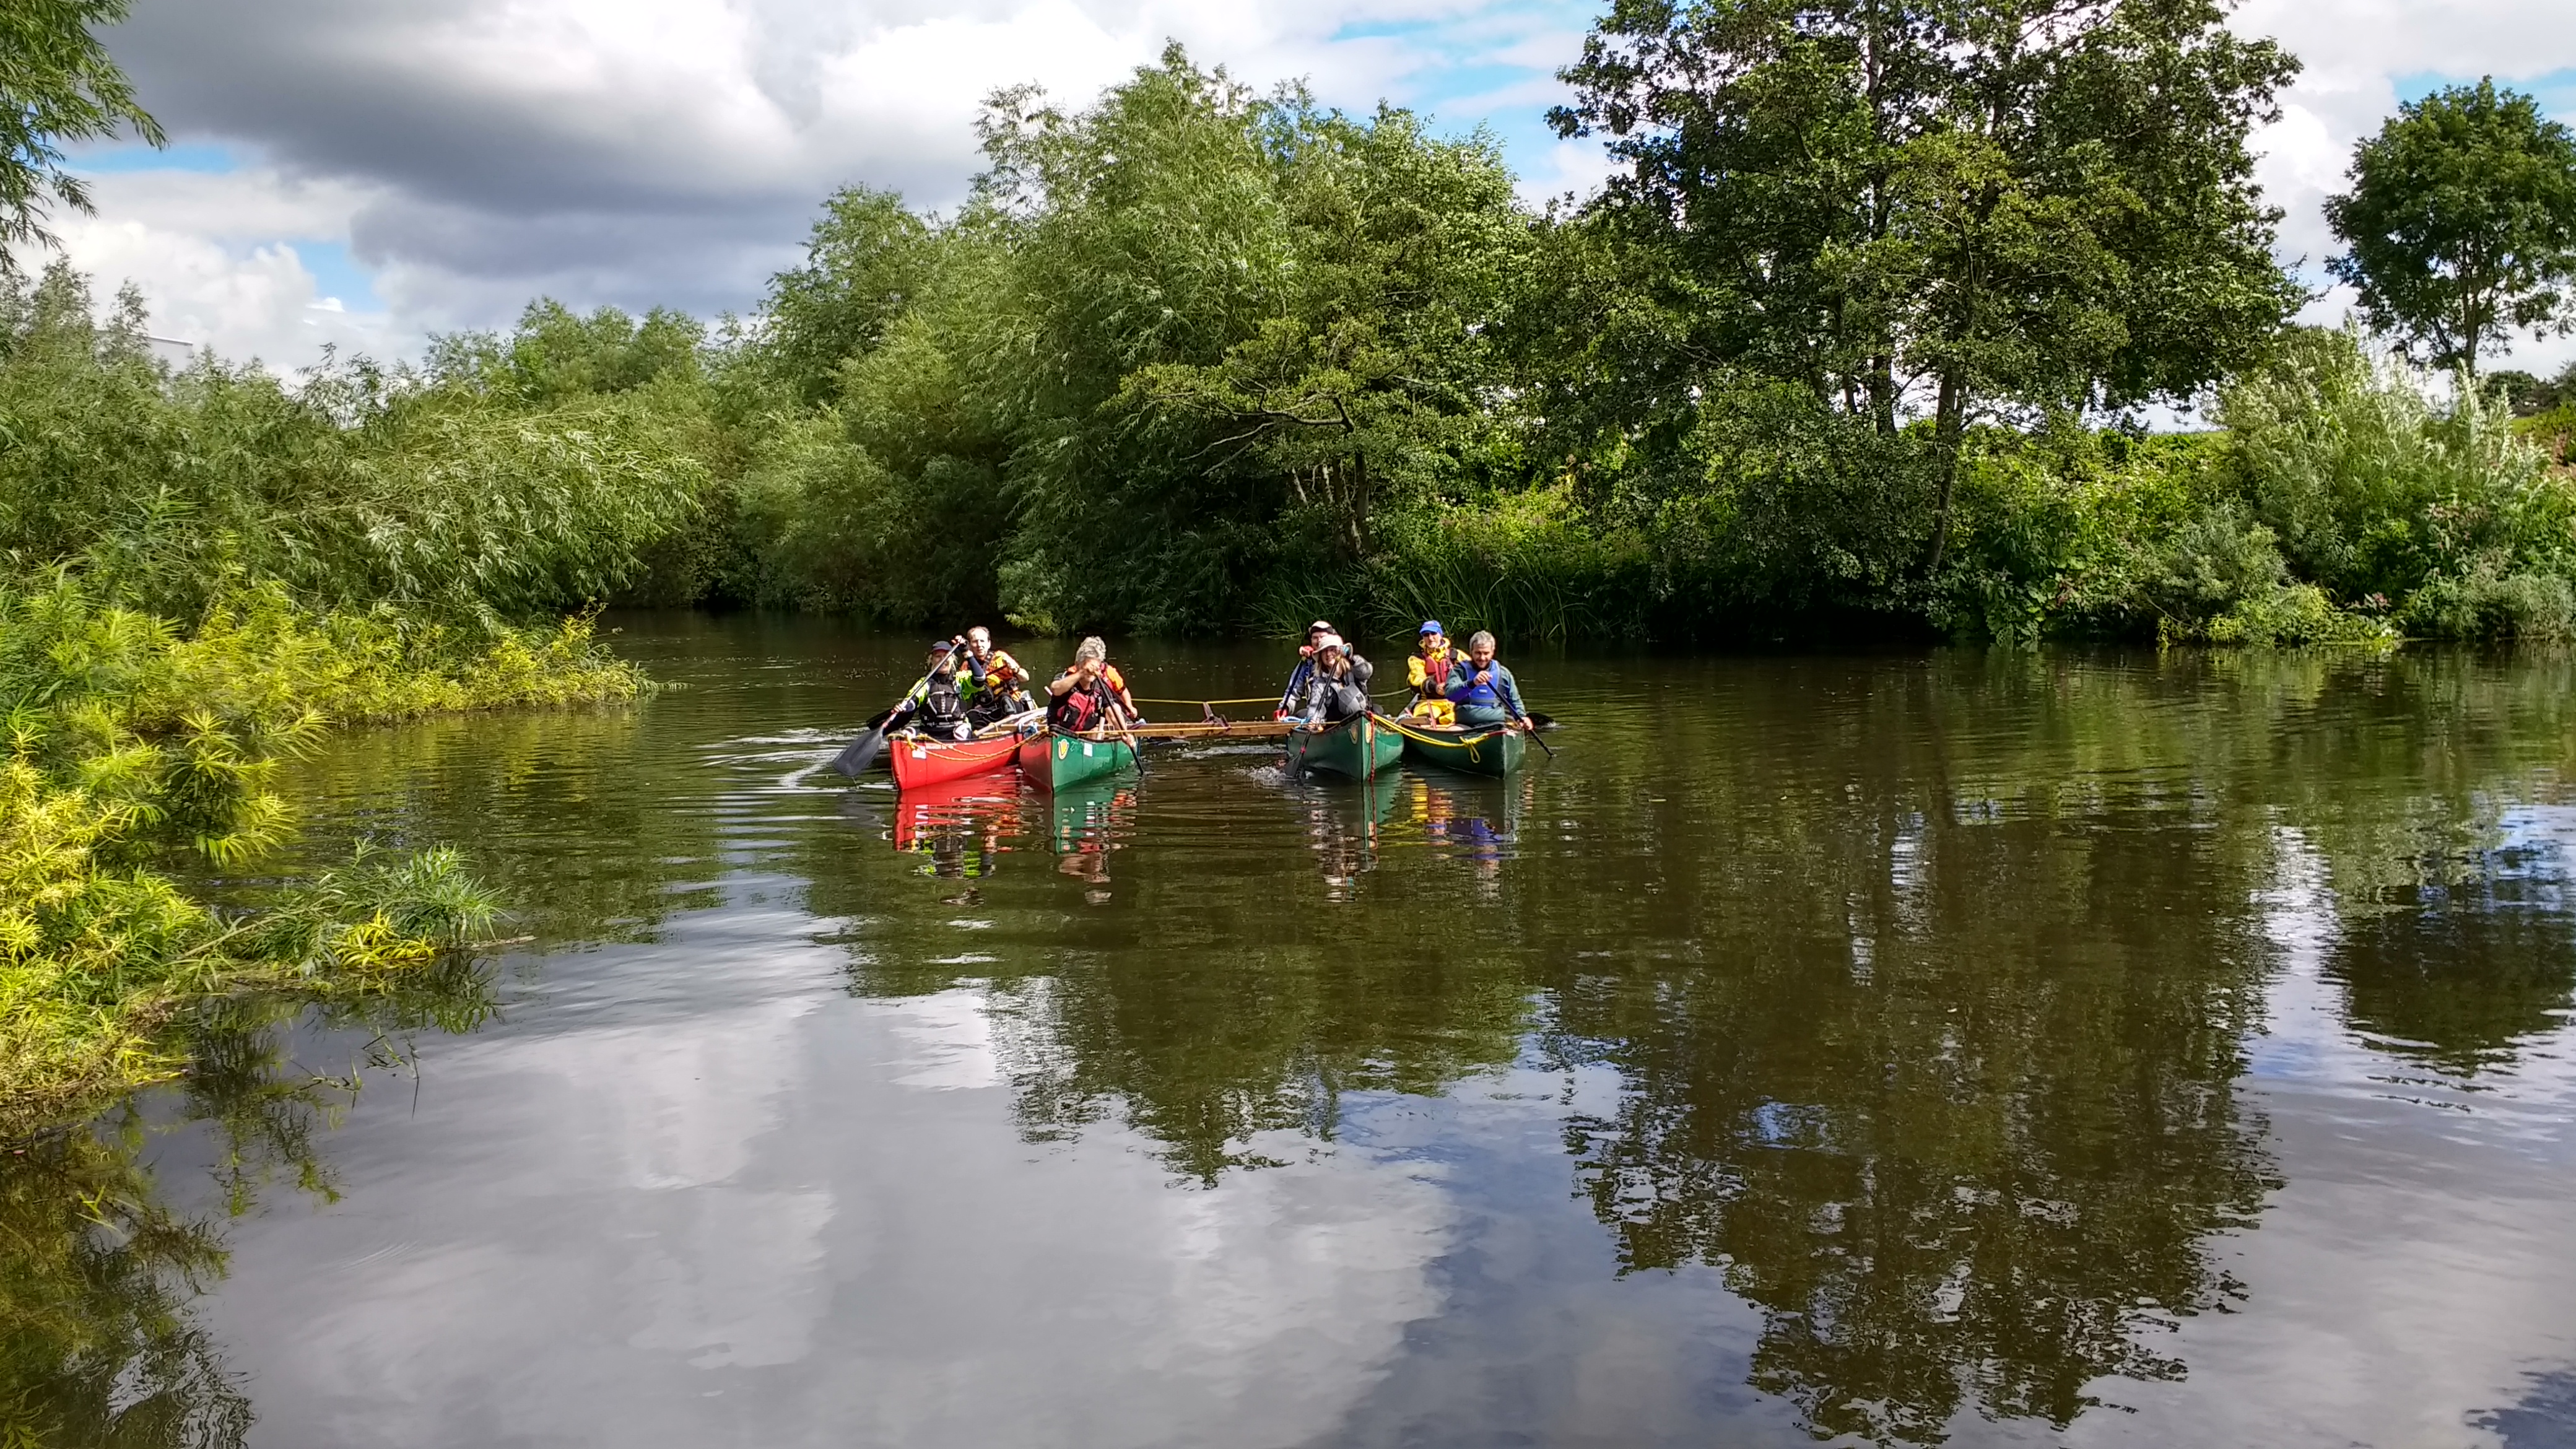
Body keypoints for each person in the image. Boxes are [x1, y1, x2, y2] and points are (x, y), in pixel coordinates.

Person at [1444, 630, 1533, 731]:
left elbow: (1514, 700)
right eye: (1478, 653)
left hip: (1497, 725)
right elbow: (1450, 695)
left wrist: (1522, 716)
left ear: (1493, 652)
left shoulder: (1503, 673)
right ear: (1471, 651)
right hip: (1466, 726)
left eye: (1486, 653)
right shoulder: (1460, 670)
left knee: (1508, 733)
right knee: (1452, 731)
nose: (1482, 658)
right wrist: (1472, 683)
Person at [1046, 636, 1132, 736]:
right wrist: (1082, 673)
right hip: (1059, 736)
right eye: (1089, 667)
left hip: (1085, 738)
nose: (1092, 671)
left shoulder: (1100, 687)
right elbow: (1056, 689)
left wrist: (1126, 735)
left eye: (1096, 668)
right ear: (1077, 665)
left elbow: (1114, 714)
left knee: (1098, 730)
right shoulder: (1066, 679)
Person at [897, 642, 975, 741]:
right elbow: (913, 701)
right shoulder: (925, 683)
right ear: (932, 660)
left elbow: (980, 678)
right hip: (930, 731)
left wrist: (967, 653)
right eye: (938, 656)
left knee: (962, 734)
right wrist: (905, 707)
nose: (943, 660)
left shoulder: (961, 679)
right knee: (906, 734)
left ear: (952, 659)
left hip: (957, 730)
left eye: (946, 656)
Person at [955, 625, 1033, 723]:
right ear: (970, 646)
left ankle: (1011, 723)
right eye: (975, 642)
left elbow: (1025, 678)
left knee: (1004, 697)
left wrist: (1015, 669)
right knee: (971, 715)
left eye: (982, 641)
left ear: (989, 644)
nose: (979, 645)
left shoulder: (1000, 657)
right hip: (988, 708)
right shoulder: (967, 666)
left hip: (1012, 703)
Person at [1294, 633, 1375, 725]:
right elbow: (1316, 705)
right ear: (1320, 657)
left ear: (1340, 652)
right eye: (1324, 651)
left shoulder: (1354, 669)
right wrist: (1313, 720)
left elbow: (1366, 672)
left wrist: (1351, 659)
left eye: (1332, 650)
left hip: (1365, 718)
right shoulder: (1320, 682)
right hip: (1339, 725)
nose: (1328, 654)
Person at [1403, 620, 1465, 726]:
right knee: (1425, 720)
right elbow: (1416, 680)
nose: (1430, 638)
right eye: (1426, 635)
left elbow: (1473, 671)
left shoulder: (1456, 655)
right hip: (1428, 702)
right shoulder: (1417, 658)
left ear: (1440, 635)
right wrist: (1435, 687)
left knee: (1462, 715)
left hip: (1454, 702)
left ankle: (1443, 722)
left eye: (1433, 633)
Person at [1275, 619, 1338, 718]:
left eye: (1323, 637)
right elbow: (1293, 692)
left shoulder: (1341, 659)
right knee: (1301, 714)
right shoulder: (1307, 663)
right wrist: (1284, 708)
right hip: (1315, 714)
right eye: (1315, 638)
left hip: (1340, 713)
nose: (1319, 641)